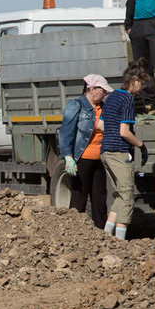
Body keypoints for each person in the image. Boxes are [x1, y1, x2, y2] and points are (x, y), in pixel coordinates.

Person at [99, 64, 153, 241]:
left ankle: (107, 237)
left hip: (106, 151)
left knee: (120, 196)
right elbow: (124, 132)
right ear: (134, 81)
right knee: (128, 195)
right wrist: (141, 146)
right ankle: (121, 241)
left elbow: (100, 125)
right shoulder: (127, 99)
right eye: (141, 84)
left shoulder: (111, 96)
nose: (142, 88)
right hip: (120, 152)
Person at [58, 73, 112, 229]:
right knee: (79, 196)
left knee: (100, 199)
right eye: (102, 90)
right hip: (83, 158)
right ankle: (74, 232)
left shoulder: (104, 107)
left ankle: (100, 233)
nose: (104, 94)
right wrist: (68, 156)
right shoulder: (76, 106)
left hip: (100, 159)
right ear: (92, 89)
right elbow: (66, 132)